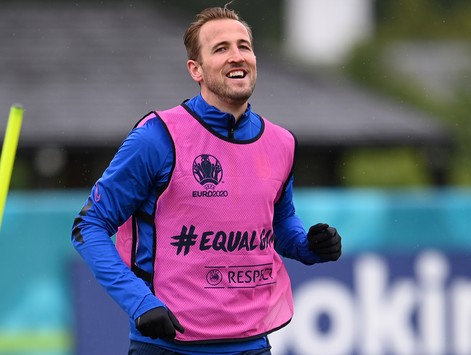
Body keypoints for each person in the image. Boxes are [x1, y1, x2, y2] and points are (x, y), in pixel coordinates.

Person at [71, 6, 342, 355]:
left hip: (252, 345)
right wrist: (139, 303)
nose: (236, 56)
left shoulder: (281, 142)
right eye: (221, 48)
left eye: (243, 46)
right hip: (168, 347)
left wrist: (309, 247)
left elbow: (280, 223)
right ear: (195, 70)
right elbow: (88, 225)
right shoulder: (157, 137)